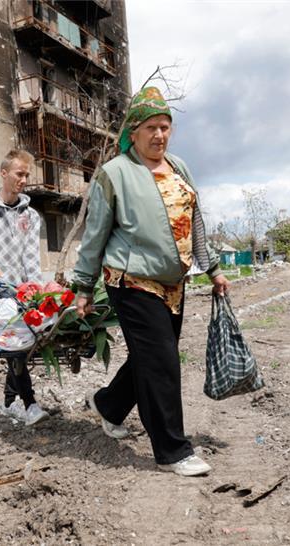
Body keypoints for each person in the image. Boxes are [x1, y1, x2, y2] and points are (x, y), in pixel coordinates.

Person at [72, 87, 229, 477]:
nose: (159, 135)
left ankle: (108, 404)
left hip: (173, 283)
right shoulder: (115, 173)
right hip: (131, 279)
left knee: (151, 356)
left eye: (165, 127)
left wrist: (213, 269)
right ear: (134, 131)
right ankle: (173, 451)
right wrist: (83, 287)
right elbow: (94, 235)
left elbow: (196, 223)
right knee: (162, 361)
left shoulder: (179, 167)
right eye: (151, 128)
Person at [0, 149, 50, 427]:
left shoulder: (31, 216)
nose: (24, 179)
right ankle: (30, 404)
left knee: (19, 347)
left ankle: (8, 401)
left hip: (24, 292)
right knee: (14, 347)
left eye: (27, 175)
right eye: (19, 173)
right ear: (4, 173)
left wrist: (37, 291)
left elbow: (31, 257)